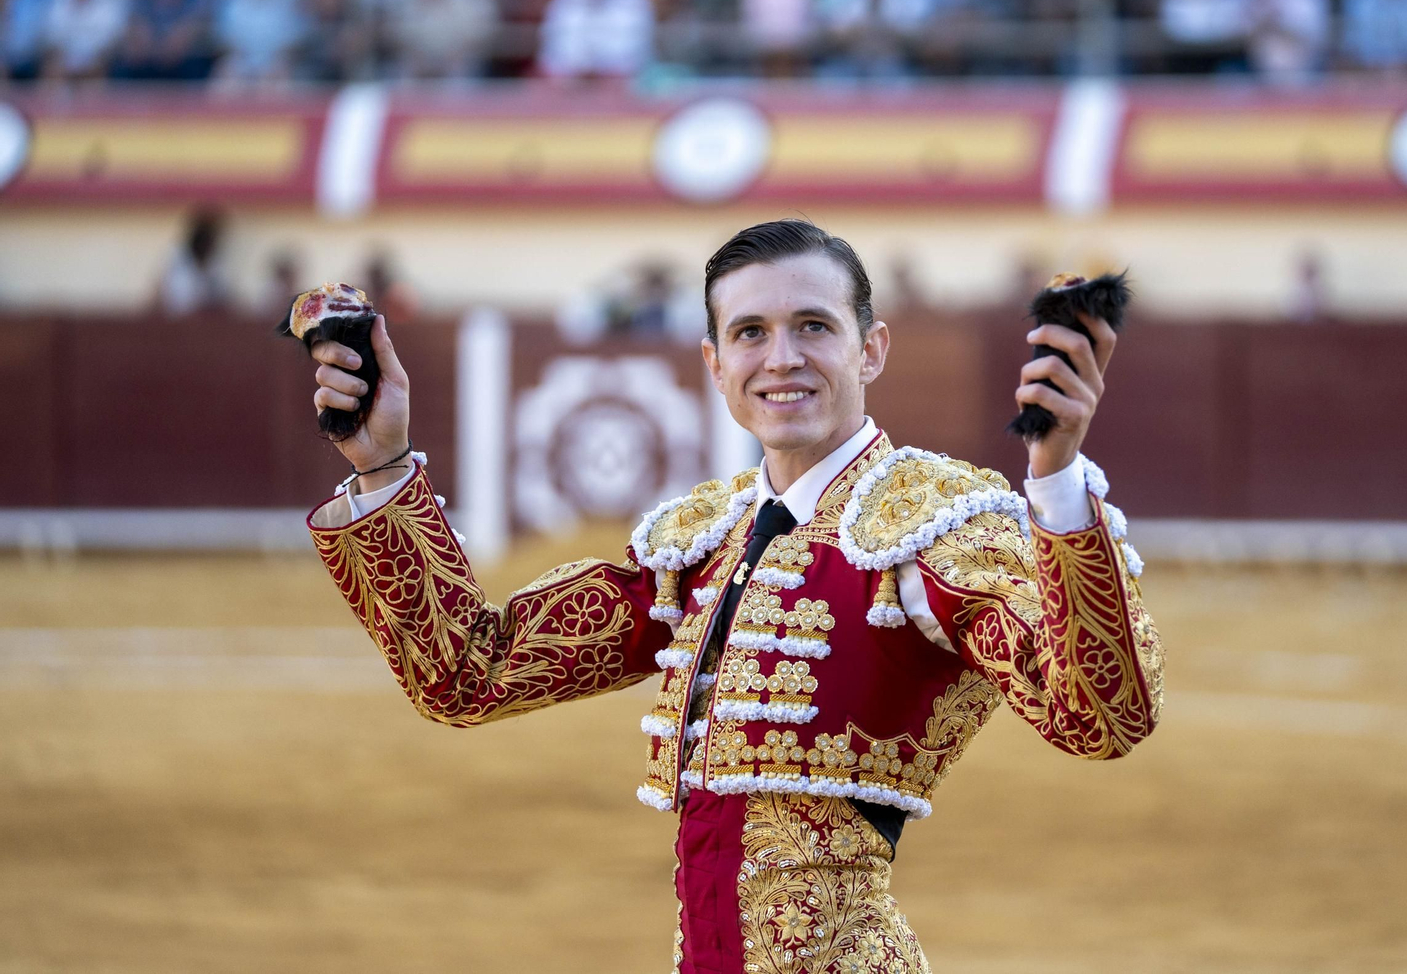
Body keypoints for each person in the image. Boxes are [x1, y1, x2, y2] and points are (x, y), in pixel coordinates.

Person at [301, 219, 1164, 972]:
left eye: (813, 327)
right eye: (750, 332)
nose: (780, 357)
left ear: (871, 348)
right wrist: (382, 467)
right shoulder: (699, 542)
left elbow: (1099, 714)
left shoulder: (934, 524)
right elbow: (470, 672)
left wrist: (1054, 483)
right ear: (715, 364)